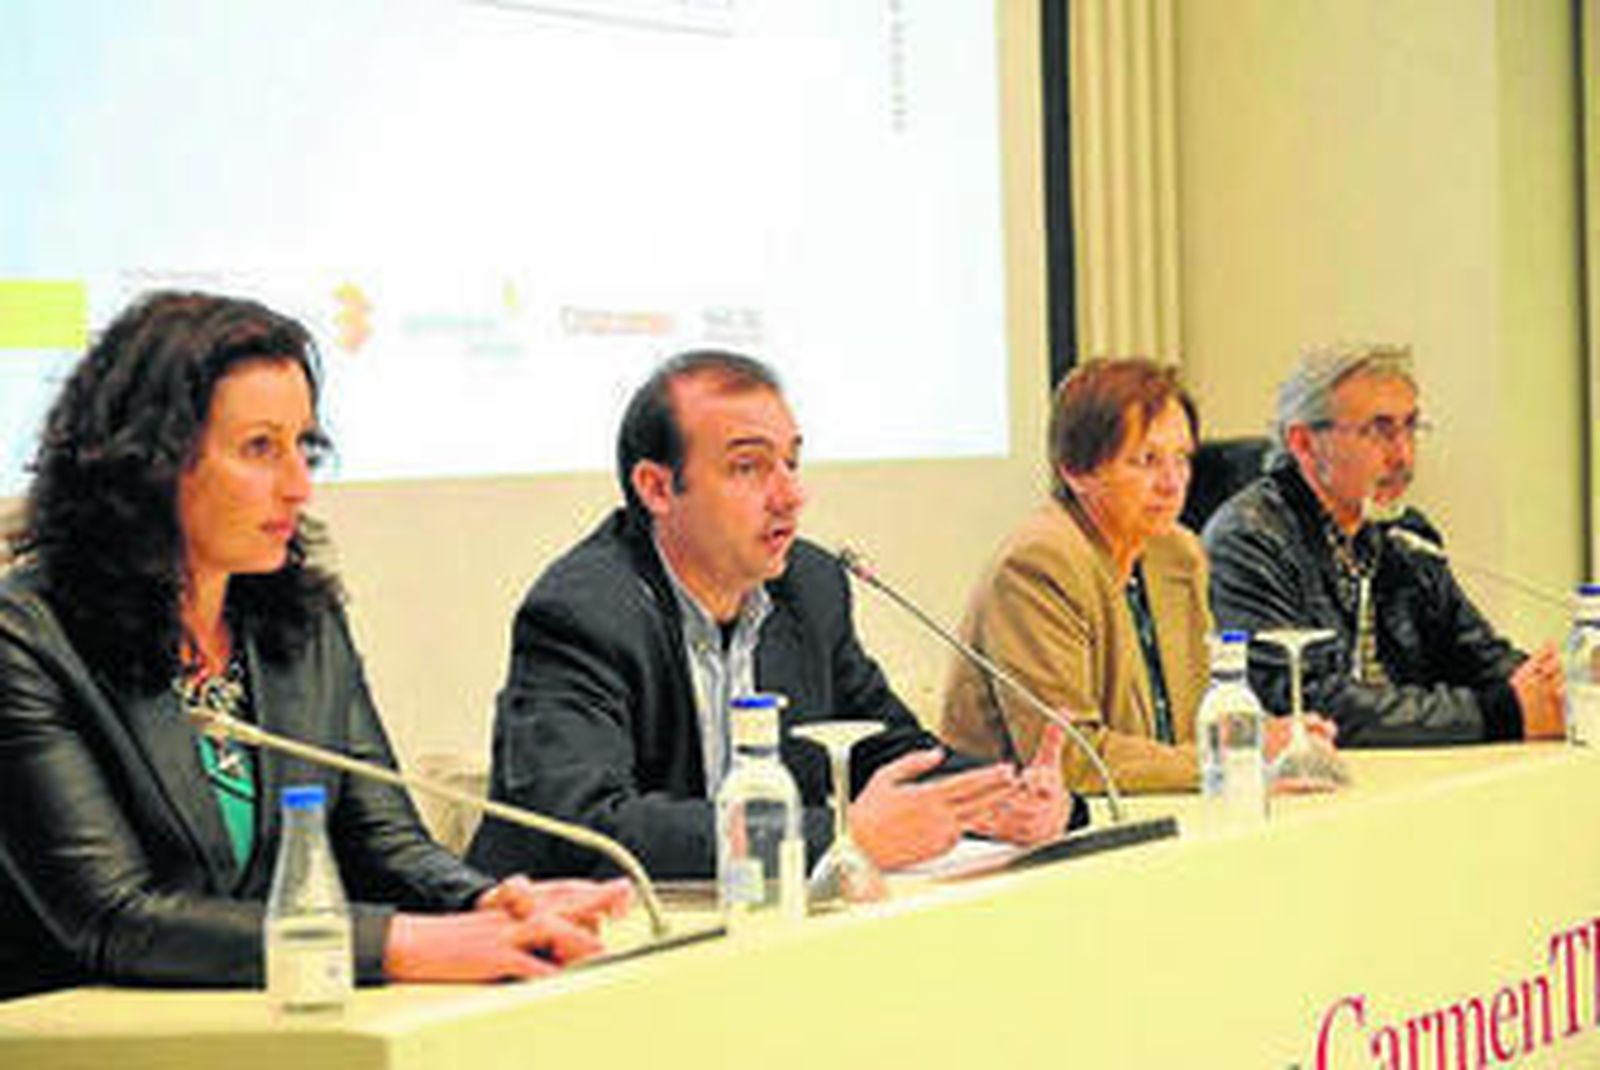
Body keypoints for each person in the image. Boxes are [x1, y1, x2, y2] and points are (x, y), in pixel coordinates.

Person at [0, 291, 628, 1001]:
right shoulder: (27, 640)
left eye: (304, 445)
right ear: (149, 461)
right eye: (260, 449)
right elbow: (114, 918)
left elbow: (383, 842)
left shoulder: (299, 624)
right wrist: (399, 943)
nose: (298, 485)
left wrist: (488, 904)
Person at [468, 351, 1080, 881]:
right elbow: (585, 830)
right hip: (578, 952)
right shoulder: (582, 610)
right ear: (657, 488)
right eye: (748, 466)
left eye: (791, 461)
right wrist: (842, 838)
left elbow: (886, 749)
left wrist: (1002, 797)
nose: (790, 495)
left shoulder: (809, 587)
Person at [1202, 341, 1564, 745]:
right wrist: (1502, 713)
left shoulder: (1403, 538)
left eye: (1411, 427)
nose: (1403, 456)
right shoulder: (1250, 541)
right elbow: (1312, 702)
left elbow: (1477, 656)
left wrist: (1554, 687)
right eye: (1381, 431)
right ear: (1304, 443)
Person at [941, 358, 1213, 793]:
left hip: (1157, 810)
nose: (1172, 482)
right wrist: (1229, 761)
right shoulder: (1039, 563)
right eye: (1146, 461)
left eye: (1182, 459)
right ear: (1077, 469)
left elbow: (1195, 725)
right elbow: (1071, 759)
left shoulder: (1177, 554)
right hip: (1026, 833)